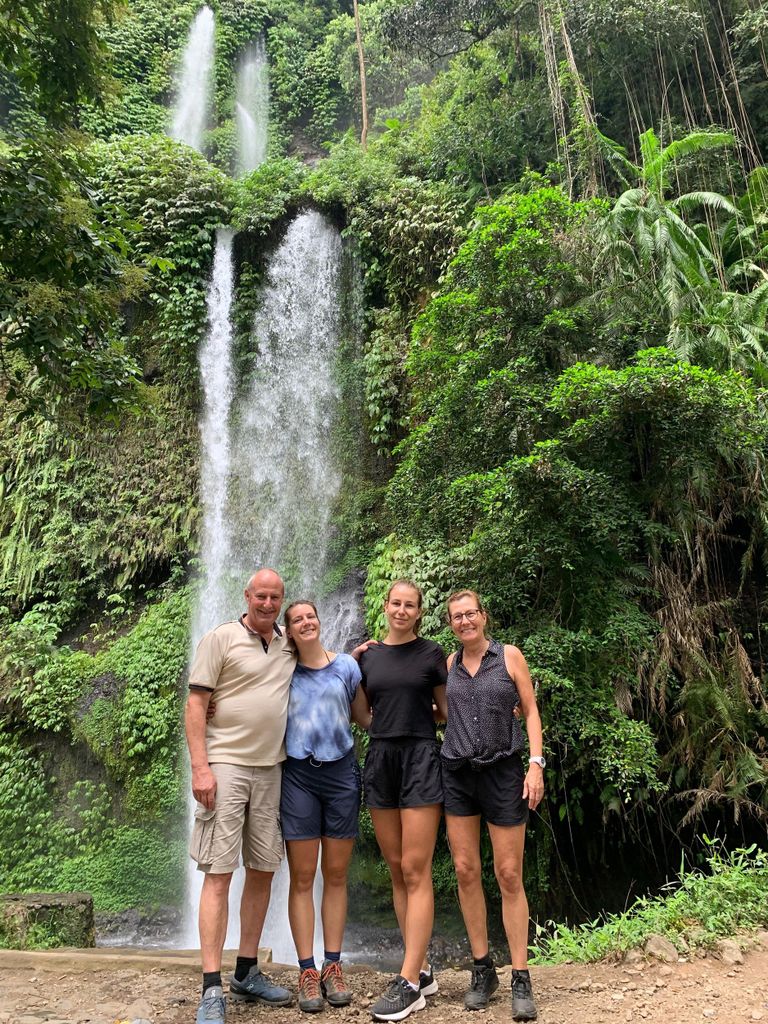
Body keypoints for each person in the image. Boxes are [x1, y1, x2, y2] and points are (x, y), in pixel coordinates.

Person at [185, 568, 295, 1024]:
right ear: (247, 596)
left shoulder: (291, 642)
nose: (267, 603)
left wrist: (363, 653)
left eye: (275, 597)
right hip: (225, 767)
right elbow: (196, 703)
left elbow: (326, 660)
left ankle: (246, 971)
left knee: (264, 868)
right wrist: (200, 767)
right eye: (261, 596)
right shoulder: (220, 638)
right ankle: (212, 986)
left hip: (272, 768)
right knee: (219, 871)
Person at [441, 590, 545, 1022]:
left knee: (508, 873)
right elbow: (437, 712)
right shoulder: (448, 665)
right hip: (458, 774)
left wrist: (536, 765)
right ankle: (483, 969)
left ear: (484, 616)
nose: (465, 621)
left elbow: (531, 710)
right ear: (450, 624)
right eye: (457, 617)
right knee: (466, 871)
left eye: (471, 614)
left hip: (504, 771)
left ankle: (520, 973)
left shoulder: (509, 656)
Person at [357, 580, 448, 1023]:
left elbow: (447, 710)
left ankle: (409, 981)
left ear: (419, 611)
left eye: (409, 605)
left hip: (420, 757)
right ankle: (424, 968)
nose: (401, 610)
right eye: (396, 602)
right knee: (395, 866)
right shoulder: (368, 657)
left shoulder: (432, 655)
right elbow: (362, 714)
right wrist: (352, 661)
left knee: (416, 867)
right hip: (381, 758)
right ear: (386, 604)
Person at [278, 600, 372, 1013]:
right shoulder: (281, 671)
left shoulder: (348, 669)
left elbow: (366, 718)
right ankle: (306, 971)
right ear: (288, 631)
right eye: (297, 620)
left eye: (310, 617)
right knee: (302, 876)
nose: (306, 622)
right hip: (298, 775)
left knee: (335, 874)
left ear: (319, 621)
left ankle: (333, 966)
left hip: (341, 777)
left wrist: (434, 713)